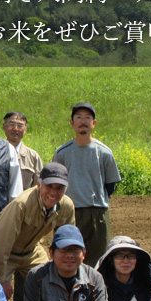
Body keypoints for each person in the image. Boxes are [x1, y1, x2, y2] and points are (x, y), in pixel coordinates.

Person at [0, 162, 75, 301]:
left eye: (59, 188)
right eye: (49, 186)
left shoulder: (66, 206)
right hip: (7, 254)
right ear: (39, 185)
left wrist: (64, 271)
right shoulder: (21, 204)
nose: (54, 193)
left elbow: (69, 242)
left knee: (52, 283)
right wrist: (1, 279)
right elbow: (0, 244)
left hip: (32, 252)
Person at [52, 102, 121, 266]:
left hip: (97, 212)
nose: (83, 121)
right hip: (70, 212)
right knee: (67, 257)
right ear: (72, 123)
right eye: (79, 117)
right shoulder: (62, 152)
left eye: (87, 118)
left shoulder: (104, 152)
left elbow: (110, 185)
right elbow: (55, 184)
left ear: (94, 123)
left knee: (100, 259)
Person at [2, 111, 43, 191]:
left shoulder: (33, 156)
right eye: (12, 124)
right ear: (4, 126)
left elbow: (39, 186)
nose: (15, 129)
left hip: (24, 202)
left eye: (20, 126)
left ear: (25, 129)